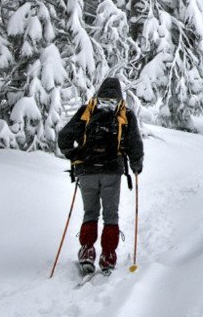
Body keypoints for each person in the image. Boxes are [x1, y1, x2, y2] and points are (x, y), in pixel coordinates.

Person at [57, 76, 144, 273]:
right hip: (112, 172)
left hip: (86, 171)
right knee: (110, 214)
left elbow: (64, 138)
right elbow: (135, 145)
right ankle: (108, 256)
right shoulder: (126, 114)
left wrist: (74, 155)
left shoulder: (87, 111)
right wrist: (136, 165)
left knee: (90, 212)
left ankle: (87, 251)